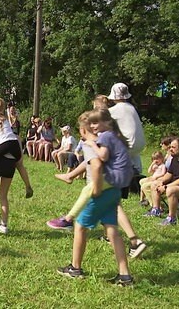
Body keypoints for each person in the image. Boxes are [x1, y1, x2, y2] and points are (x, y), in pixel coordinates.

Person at [49, 108, 147, 259]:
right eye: (92, 123)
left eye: (96, 123)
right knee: (112, 227)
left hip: (114, 178)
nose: (94, 126)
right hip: (123, 178)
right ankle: (125, 269)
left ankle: (68, 219)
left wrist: (92, 145)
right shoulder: (114, 134)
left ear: (82, 130)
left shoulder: (101, 139)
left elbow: (98, 162)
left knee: (87, 199)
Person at [56, 111, 134, 287]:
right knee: (112, 230)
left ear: (82, 130)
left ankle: (75, 269)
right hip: (114, 189)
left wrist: (97, 189)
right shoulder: (110, 136)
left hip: (102, 190)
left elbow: (97, 165)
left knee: (80, 226)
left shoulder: (93, 142)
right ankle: (125, 276)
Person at [146, 137, 179, 225]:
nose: (170, 149)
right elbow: (169, 174)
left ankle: (172, 218)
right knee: (155, 184)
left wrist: (167, 186)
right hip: (177, 184)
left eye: (173, 147)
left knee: (171, 190)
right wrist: (161, 182)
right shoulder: (175, 158)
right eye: (170, 147)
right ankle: (156, 210)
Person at [107, 83, 146, 175]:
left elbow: (101, 120)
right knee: (132, 155)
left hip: (129, 144)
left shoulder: (114, 110)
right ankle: (136, 174)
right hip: (141, 144)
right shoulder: (131, 107)